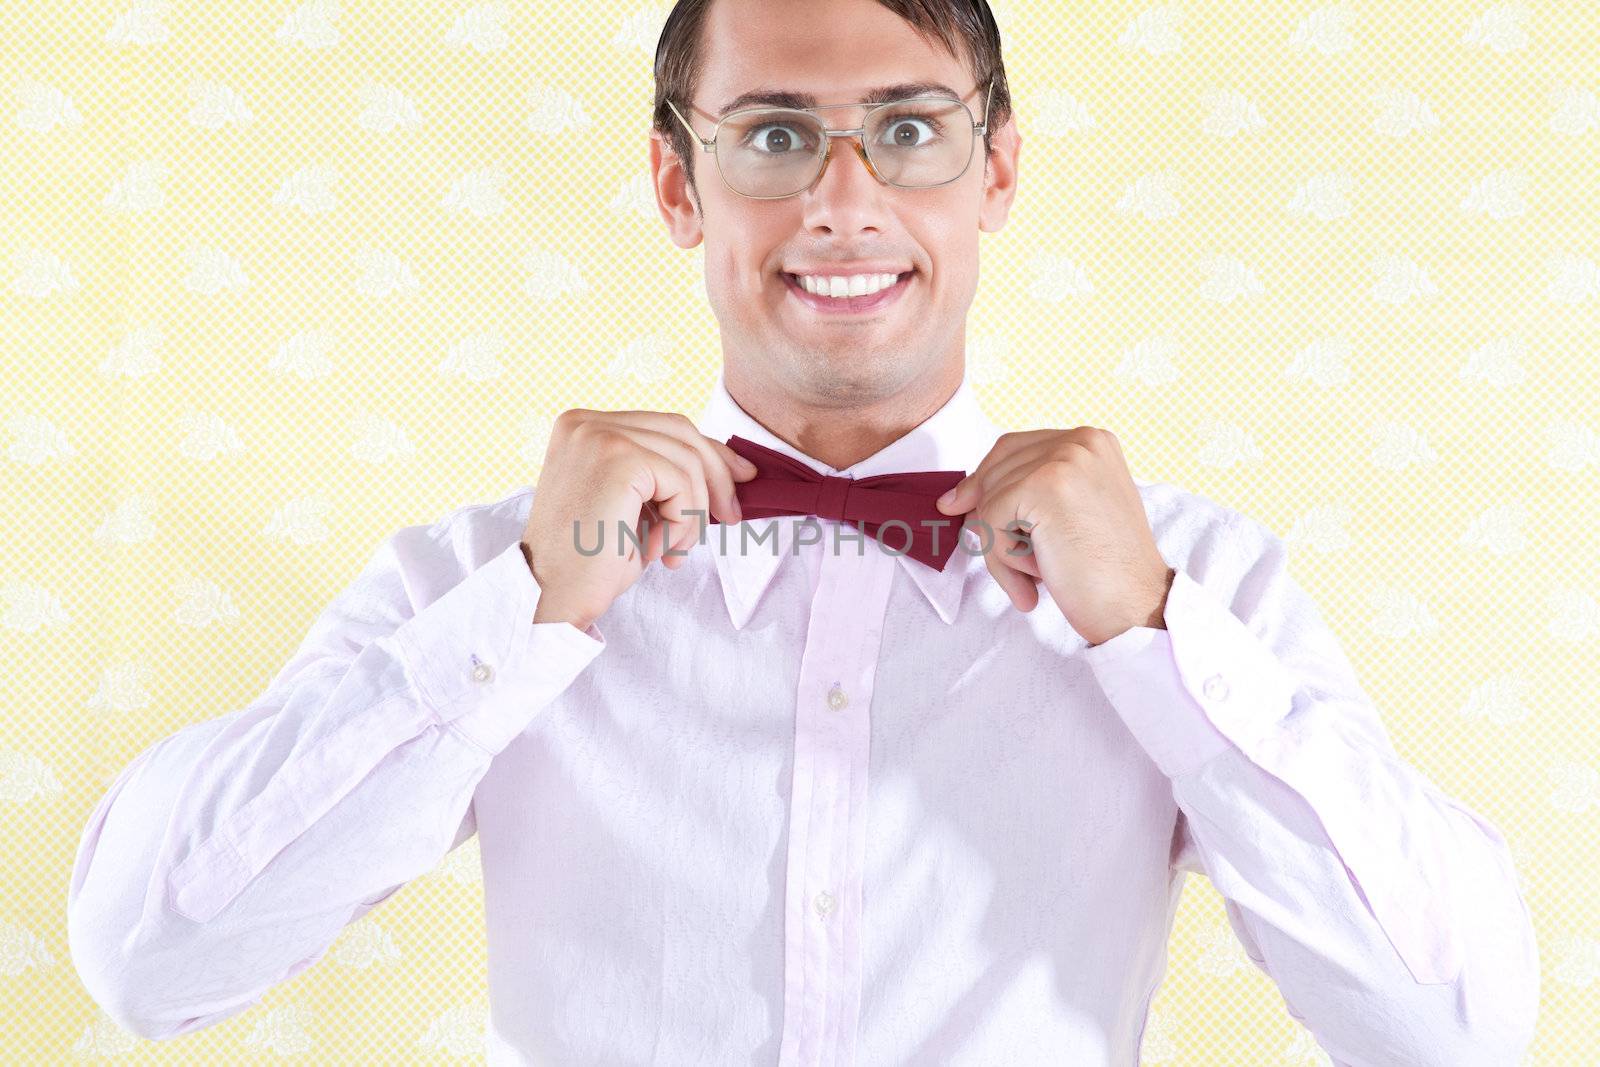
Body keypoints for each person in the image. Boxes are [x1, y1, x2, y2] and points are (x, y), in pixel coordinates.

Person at [67, 0, 1539, 1063]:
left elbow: (1458, 1035)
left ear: (998, 172)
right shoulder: (487, 577)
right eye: (775, 134)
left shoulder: (1190, 585)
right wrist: (520, 615)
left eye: (908, 130)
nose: (845, 201)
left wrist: (1156, 637)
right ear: (676, 185)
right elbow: (149, 963)